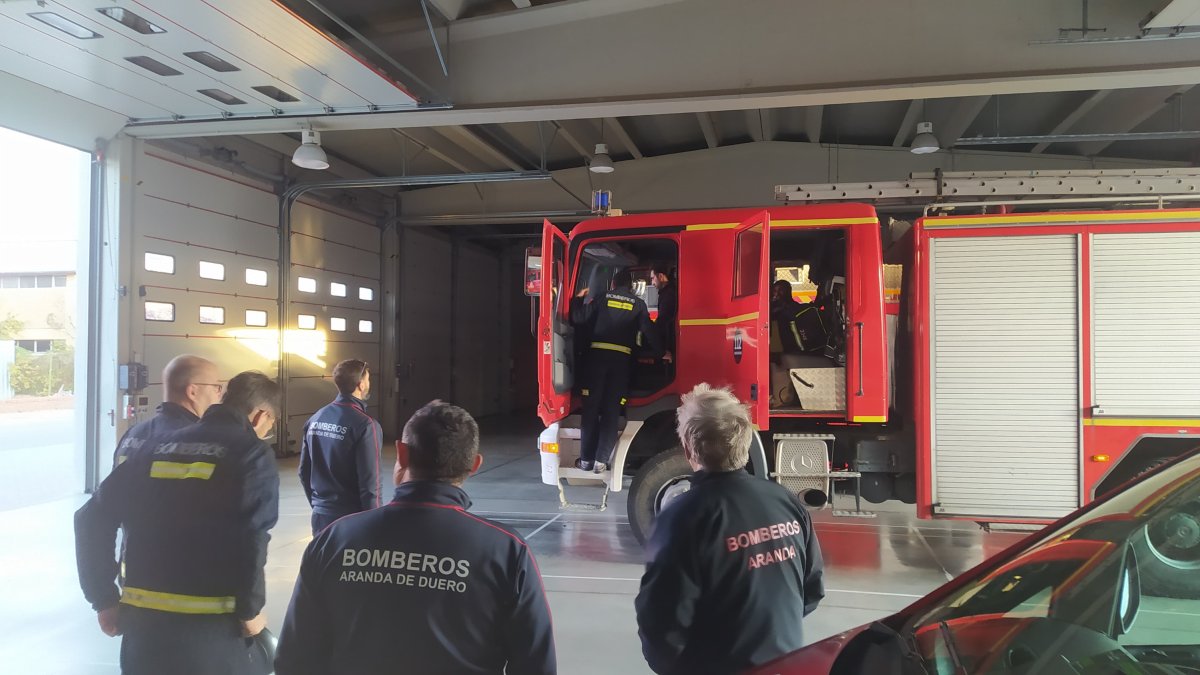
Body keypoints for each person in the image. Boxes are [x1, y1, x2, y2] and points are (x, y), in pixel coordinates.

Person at [275, 401, 556, 675]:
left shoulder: (334, 539)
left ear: (401, 453)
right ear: (474, 465)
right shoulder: (506, 550)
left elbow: (295, 658)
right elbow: (536, 664)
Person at [75, 371, 282, 675]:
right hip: (211, 632)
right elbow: (251, 534)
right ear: (260, 415)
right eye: (270, 425)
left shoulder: (156, 445)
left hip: (143, 628)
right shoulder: (250, 451)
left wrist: (103, 599)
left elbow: (90, 517)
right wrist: (250, 609)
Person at [635, 384, 824, 675]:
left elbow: (661, 625)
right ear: (746, 443)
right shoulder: (784, 501)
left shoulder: (682, 517)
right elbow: (811, 589)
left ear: (688, 449)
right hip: (786, 663)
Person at [572, 269, 665, 472]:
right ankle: (600, 461)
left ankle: (586, 460)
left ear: (613, 284)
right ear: (630, 286)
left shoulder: (602, 298)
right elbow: (648, 330)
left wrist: (578, 300)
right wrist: (661, 352)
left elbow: (579, 318)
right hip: (621, 363)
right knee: (611, 411)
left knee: (591, 410)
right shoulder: (638, 304)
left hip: (595, 361)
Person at [298, 359, 384, 534]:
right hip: (351, 519)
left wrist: (319, 505)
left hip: (320, 516)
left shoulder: (315, 419)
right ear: (360, 385)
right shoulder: (366, 425)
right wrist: (374, 526)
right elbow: (370, 485)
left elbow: (303, 472)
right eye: (368, 379)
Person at [112, 355, 222, 466]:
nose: (219, 394)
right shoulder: (203, 442)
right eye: (216, 387)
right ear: (192, 392)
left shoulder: (133, 434)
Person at [771, 279, 827, 355]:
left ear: (788, 292)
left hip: (796, 352)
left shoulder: (787, 310)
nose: (776, 294)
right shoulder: (774, 310)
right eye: (774, 291)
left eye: (780, 290)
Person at [650, 261, 678, 364]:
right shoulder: (669, 292)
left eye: (653, 278)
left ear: (661, 276)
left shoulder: (668, 295)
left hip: (669, 342)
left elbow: (663, 321)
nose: (652, 283)